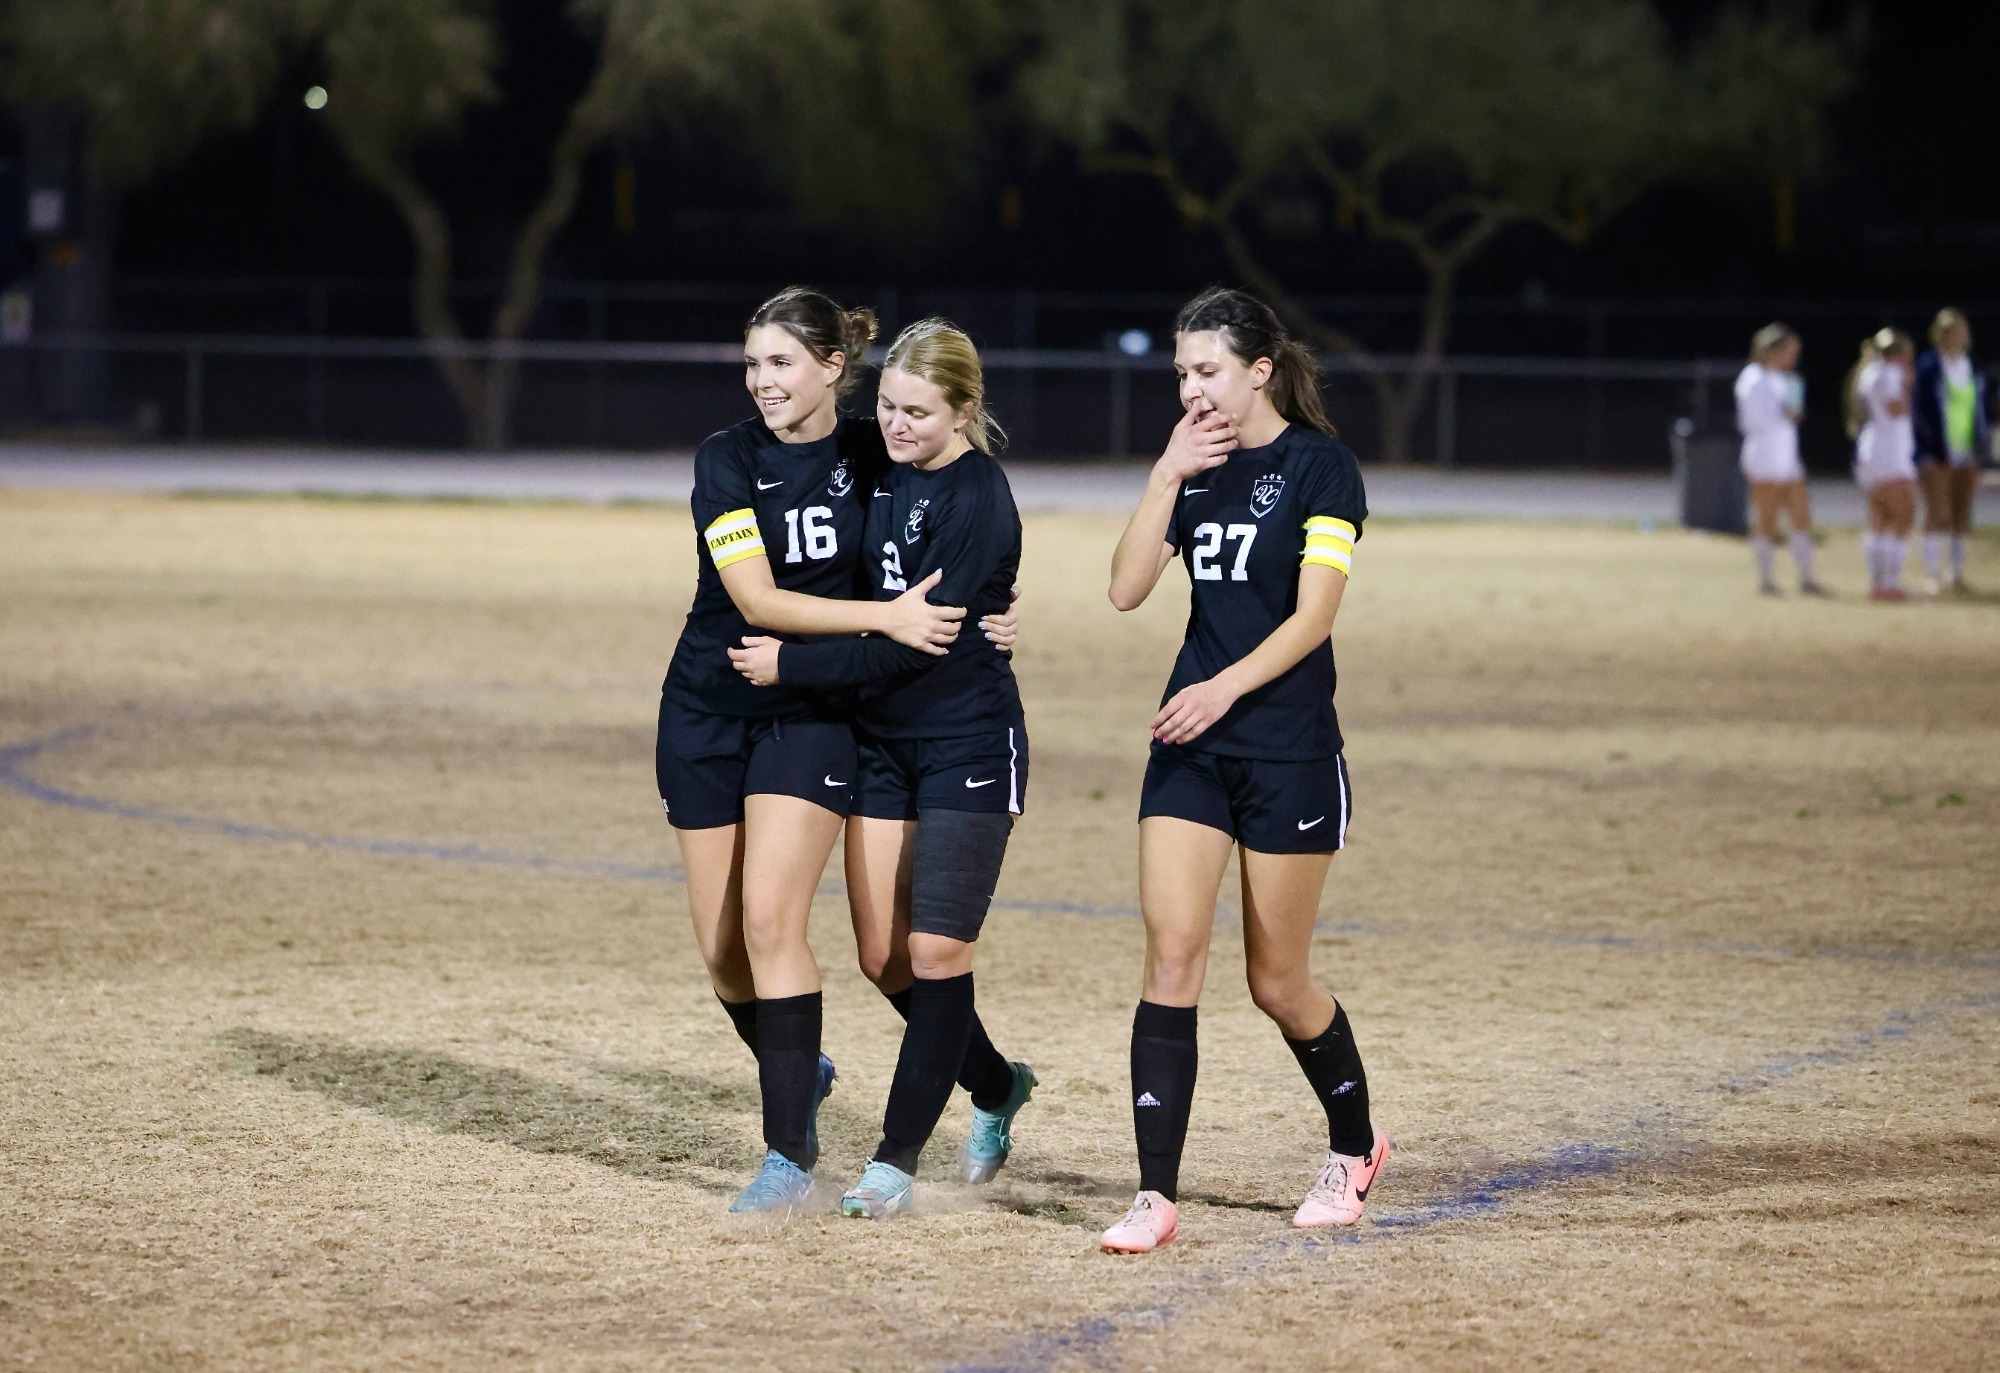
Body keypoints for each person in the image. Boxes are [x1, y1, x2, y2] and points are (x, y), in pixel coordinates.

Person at [657, 288, 1019, 1214]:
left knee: (776, 921)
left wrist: (985, 617)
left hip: (811, 709)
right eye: (752, 364)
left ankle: (786, 1159)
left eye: (780, 362)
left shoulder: (877, 445)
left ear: (830, 367)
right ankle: (854, 1069)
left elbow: (958, 511)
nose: (762, 381)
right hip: (709, 703)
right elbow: (754, 598)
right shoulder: (724, 459)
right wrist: (889, 616)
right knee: (725, 954)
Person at [1095, 287, 1382, 1256]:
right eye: (1179, 371)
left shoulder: (1320, 466)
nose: (1190, 388)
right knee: (1171, 952)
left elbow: (1312, 619)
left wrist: (1221, 687)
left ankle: (1353, 1146)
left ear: (1259, 369)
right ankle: (1153, 1194)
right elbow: (1125, 589)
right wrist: (1163, 476)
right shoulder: (1194, 464)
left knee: (1276, 980)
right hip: (1190, 746)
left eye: (1206, 369)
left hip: (1286, 750)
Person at [1734, 323, 1826, 597]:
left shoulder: (1785, 379)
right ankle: (1766, 580)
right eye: (1789, 351)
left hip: (1787, 456)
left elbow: (1790, 418)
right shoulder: (1752, 379)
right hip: (1764, 456)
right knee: (1767, 519)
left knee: (1801, 516)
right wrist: (1783, 413)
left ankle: (1807, 577)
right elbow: (1751, 420)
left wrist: (1792, 414)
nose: (1793, 357)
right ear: (1770, 351)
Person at [1912, 308, 1987, 594]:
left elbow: (1977, 408)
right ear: (1938, 334)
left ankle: (1955, 573)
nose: (1954, 336)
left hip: (1965, 450)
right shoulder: (1929, 366)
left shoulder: (1971, 366)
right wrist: (1924, 450)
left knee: (1960, 514)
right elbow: (1918, 411)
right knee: (1935, 513)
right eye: (1948, 331)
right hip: (1937, 451)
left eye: (1959, 331)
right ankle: (1933, 574)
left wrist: (1978, 446)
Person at [1846, 328, 1918, 601]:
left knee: (1879, 517)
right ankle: (1888, 583)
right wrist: (1908, 386)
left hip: (1872, 448)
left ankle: (1878, 582)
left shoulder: (1868, 371)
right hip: (1890, 452)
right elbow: (1896, 408)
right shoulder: (1890, 373)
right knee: (1901, 515)